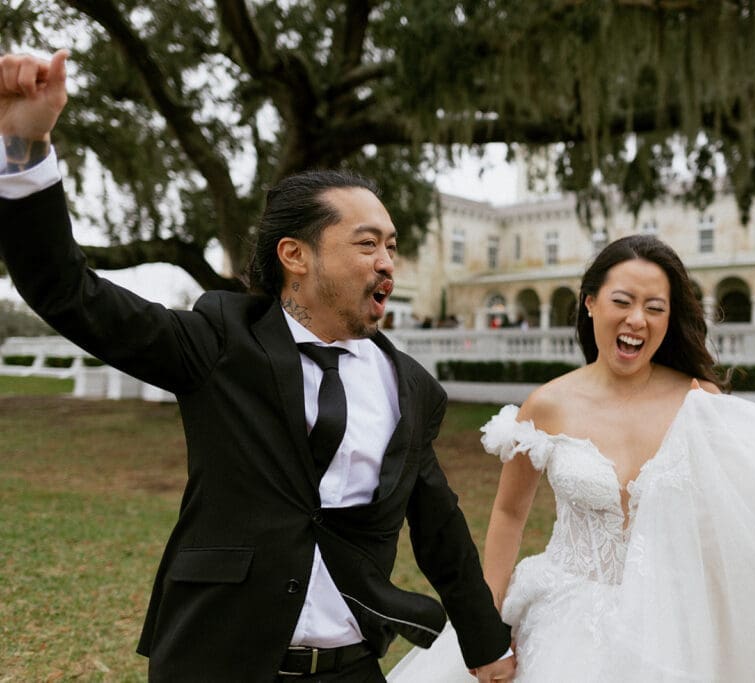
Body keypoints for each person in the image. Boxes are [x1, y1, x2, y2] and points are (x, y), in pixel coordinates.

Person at [0, 51, 515, 682]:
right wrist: (24, 148)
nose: (387, 261)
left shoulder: (412, 388)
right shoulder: (220, 342)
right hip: (215, 660)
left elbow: (439, 527)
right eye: (366, 243)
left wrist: (485, 645)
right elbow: (66, 291)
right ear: (295, 255)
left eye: (390, 245)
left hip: (351, 666)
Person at [388, 234, 755, 682]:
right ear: (590, 303)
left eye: (654, 307)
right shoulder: (547, 405)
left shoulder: (700, 403)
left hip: (674, 617)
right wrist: (487, 620)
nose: (637, 319)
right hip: (561, 613)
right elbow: (509, 514)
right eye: (622, 302)